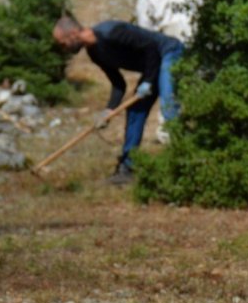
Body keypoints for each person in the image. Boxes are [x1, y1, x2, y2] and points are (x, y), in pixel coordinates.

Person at [52, 16, 184, 183]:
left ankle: (184, 160)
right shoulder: (95, 53)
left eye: (63, 43)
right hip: (152, 65)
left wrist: (148, 82)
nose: (64, 49)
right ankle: (128, 167)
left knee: (169, 107)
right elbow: (118, 83)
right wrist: (109, 110)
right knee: (135, 110)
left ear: (72, 33)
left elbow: (151, 47)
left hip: (169, 52)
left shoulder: (112, 32)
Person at [128, 0, 203, 143]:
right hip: (197, 30)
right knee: (199, 77)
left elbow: (146, 35)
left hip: (172, 36)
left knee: (169, 83)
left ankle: (169, 130)